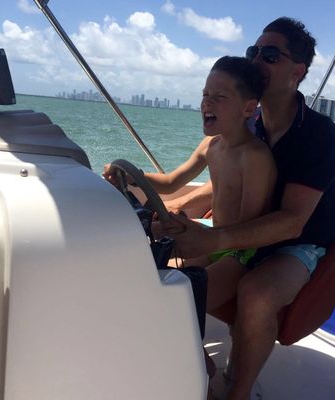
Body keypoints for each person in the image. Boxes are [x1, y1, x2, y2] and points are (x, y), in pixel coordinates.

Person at [163, 17, 335, 400]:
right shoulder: (247, 125)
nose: (257, 60)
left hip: (296, 244)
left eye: (271, 55)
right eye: (254, 51)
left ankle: (239, 393)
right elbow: (221, 184)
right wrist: (173, 208)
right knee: (169, 280)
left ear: (298, 72)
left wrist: (214, 239)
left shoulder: (318, 135)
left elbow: (293, 222)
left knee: (256, 293)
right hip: (245, 235)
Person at [104, 56, 277, 312]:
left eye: (220, 97)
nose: (207, 102)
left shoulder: (254, 157)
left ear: (248, 109)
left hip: (243, 253)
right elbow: (170, 182)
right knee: (148, 277)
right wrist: (132, 176)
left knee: (179, 306)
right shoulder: (211, 146)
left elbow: (248, 226)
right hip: (213, 240)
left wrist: (191, 230)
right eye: (205, 94)